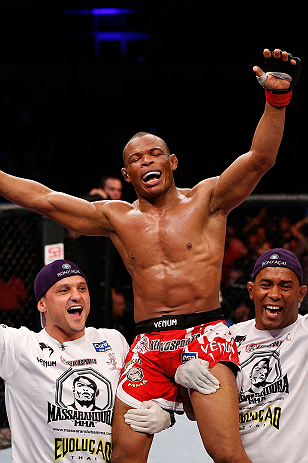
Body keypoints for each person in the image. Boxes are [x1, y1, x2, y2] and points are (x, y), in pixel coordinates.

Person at [0, 48, 301, 463]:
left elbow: (259, 159)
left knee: (227, 453)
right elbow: (46, 201)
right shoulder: (117, 218)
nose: (147, 161)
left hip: (205, 335)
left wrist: (276, 100)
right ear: (127, 176)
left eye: (155, 154)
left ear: (173, 162)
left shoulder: (208, 200)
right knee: (123, 458)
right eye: (136, 160)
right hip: (148, 342)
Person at [0, 259, 170, 463]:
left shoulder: (113, 340)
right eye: (64, 290)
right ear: (42, 303)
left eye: (82, 288)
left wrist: (166, 413)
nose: (76, 295)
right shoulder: (19, 346)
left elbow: (144, 385)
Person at [175, 248, 308, 462]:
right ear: (251, 290)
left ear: (301, 293)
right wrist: (184, 381)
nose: (274, 294)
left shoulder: (305, 331)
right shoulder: (225, 339)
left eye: (285, 286)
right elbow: (193, 413)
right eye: (266, 285)